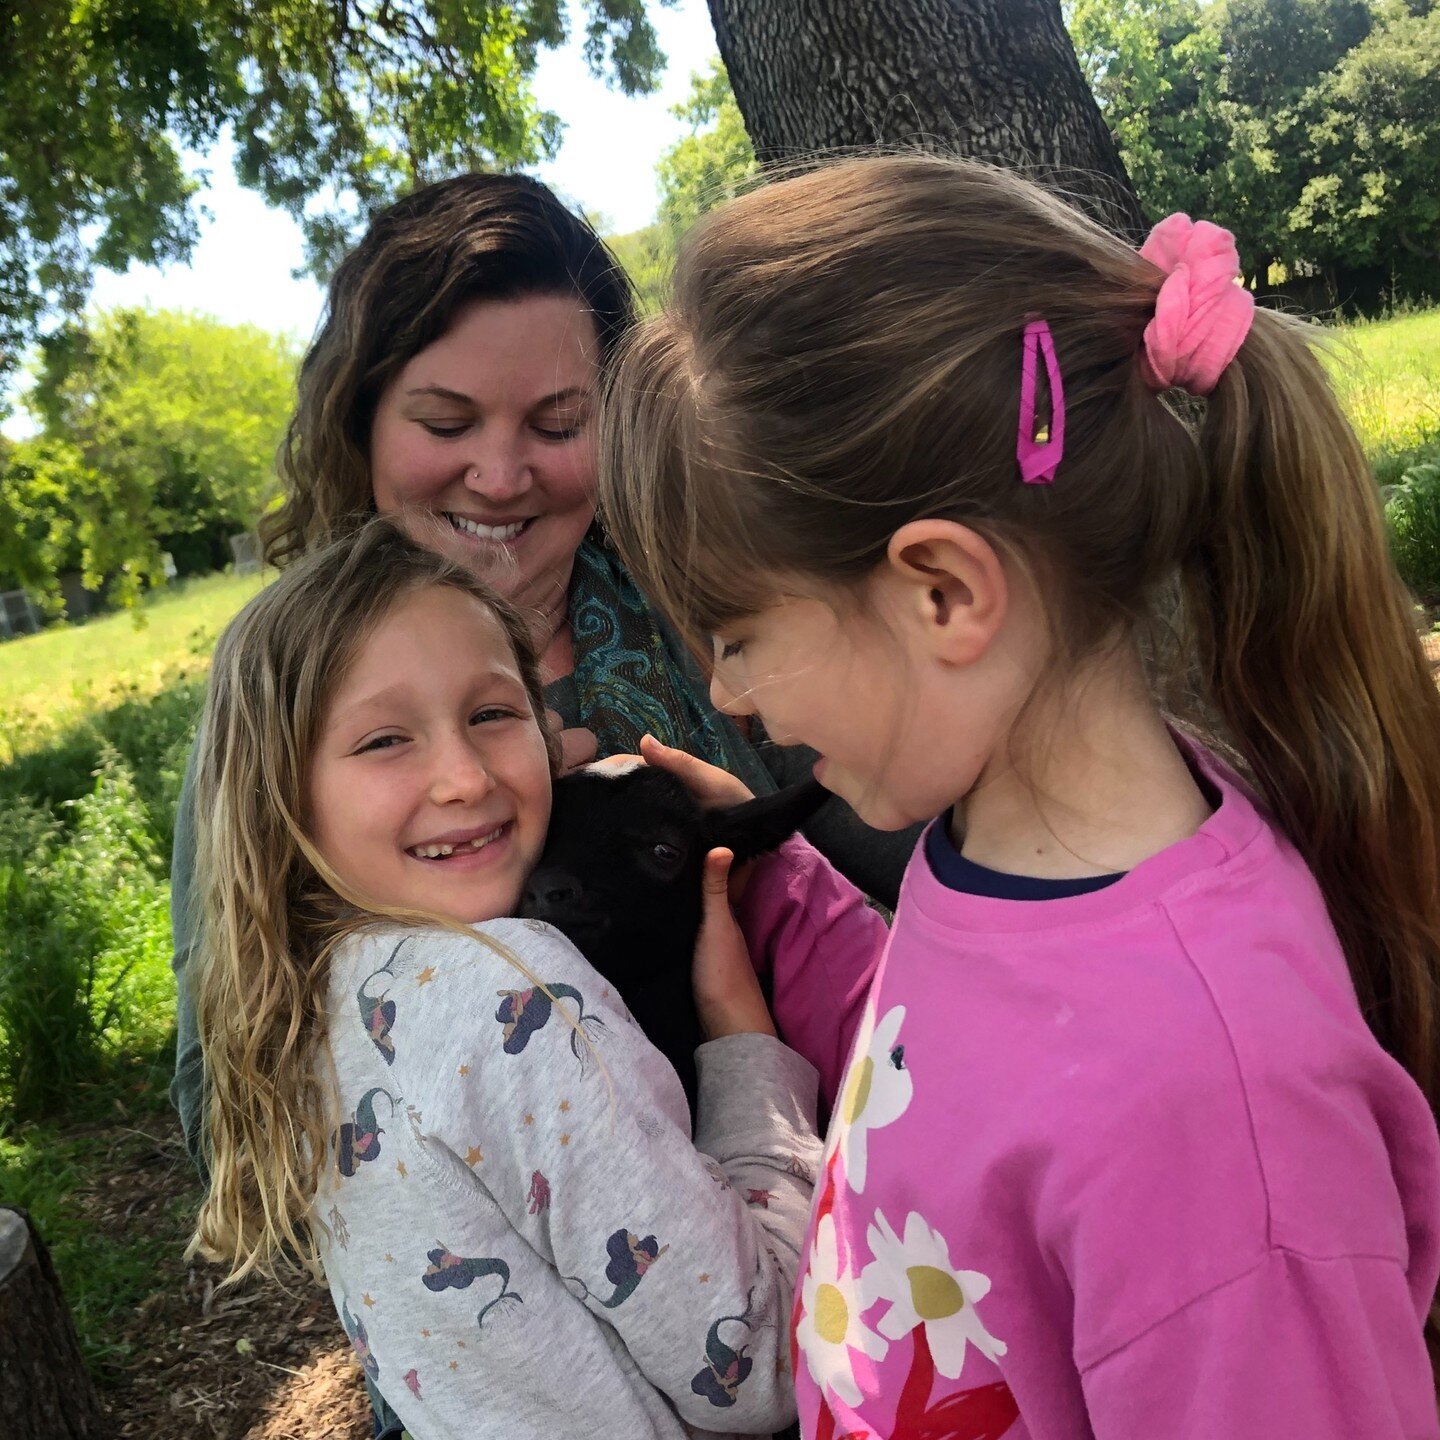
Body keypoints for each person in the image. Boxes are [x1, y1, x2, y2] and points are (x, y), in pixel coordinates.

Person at [598, 154, 1440, 1437]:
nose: (728, 692)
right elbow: (960, 1070)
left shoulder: (1214, 1125)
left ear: (943, 592)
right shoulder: (993, 835)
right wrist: (769, 885)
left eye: (736, 631)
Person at [169, 173, 913, 1182]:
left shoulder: (708, 606)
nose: (503, 474)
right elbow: (227, 1096)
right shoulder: (288, 697)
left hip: (856, 1186)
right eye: (445, 423)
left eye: (559, 424)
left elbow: (903, 854)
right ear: (361, 424)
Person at [188, 517, 824, 1440]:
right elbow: (761, 1363)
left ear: (545, 727)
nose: (462, 777)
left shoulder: (311, 994)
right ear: (280, 790)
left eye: (491, 714)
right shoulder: (504, 995)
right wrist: (744, 1047)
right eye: (383, 741)